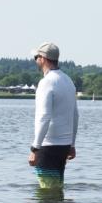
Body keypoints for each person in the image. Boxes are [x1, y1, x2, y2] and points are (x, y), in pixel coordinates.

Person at [28, 42, 78, 189]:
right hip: (64, 145)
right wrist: (72, 144)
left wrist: (35, 148)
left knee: (46, 191)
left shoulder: (46, 83)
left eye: (36, 57)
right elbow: (75, 115)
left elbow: (44, 116)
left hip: (48, 146)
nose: (36, 60)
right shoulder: (68, 81)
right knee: (56, 189)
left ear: (43, 58)